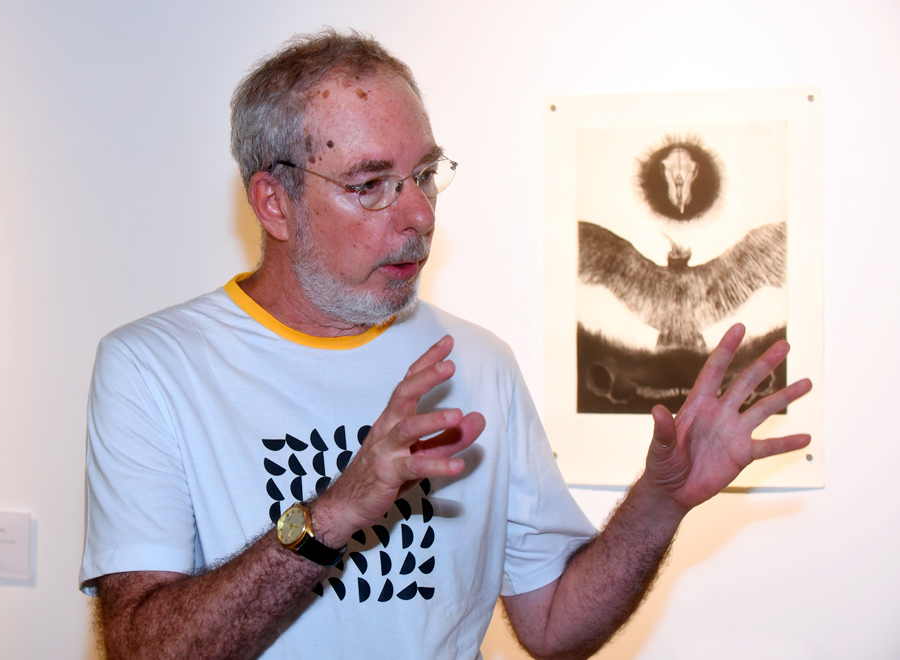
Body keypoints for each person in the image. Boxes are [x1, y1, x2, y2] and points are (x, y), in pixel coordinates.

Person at [80, 29, 812, 660]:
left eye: (424, 175)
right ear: (275, 202)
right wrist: (335, 513)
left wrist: (660, 503)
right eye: (372, 185)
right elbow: (144, 647)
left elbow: (553, 625)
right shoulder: (154, 368)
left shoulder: (480, 363)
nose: (420, 215)